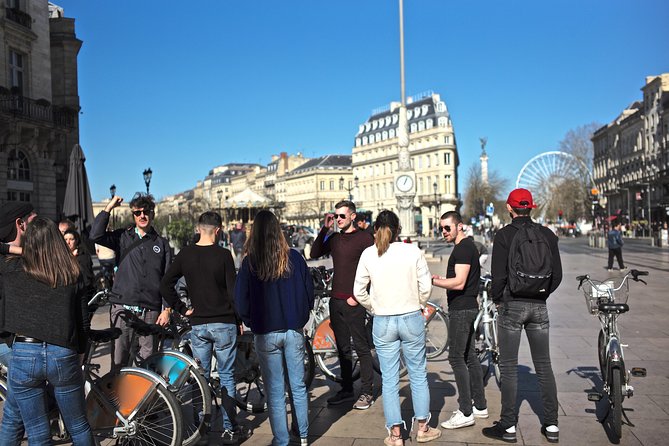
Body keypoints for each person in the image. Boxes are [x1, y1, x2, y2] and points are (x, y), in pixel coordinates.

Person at [0, 217, 94, 445]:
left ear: (29, 242)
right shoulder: (72, 271)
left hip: (24, 352)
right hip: (63, 352)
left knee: (37, 432)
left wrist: (21, 249)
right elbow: (83, 323)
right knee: (79, 425)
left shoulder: (12, 268)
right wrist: (80, 353)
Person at [353, 210, 441, 445]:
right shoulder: (412, 251)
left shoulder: (369, 254)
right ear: (399, 229)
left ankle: (395, 435)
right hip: (411, 316)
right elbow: (425, 284)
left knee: (390, 380)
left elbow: (358, 291)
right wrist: (420, 303)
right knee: (418, 375)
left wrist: (374, 307)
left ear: (375, 230)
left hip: (383, 320)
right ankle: (422, 427)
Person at [482, 188, 562, 444]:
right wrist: (541, 293)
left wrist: (499, 300)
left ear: (509, 208)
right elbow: (557, 275)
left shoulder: (504, 235)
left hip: (512, 306)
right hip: (539, 305)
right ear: (532, 207)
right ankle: (551, 425)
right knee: (544, 366)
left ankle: (507, 426)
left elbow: (498, 276)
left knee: (509, 367)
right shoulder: (548, 235)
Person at [160, 211, 240, 444]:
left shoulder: (185, 254)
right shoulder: (224, 255)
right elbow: (232, 293)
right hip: (224, 321)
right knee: (227, 376)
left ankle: (200, 429)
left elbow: (165, 284)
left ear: (198, 228)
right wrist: (239, 320)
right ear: (218, 230)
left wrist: (181, 307)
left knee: (199, 378)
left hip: (199, 323)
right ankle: (229, 428)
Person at [234, 210, 313, 446]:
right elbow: (309, 292)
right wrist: (302, 314)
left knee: (276, 392)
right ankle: (304, 436)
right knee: (298, 386)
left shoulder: (250, 262)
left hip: (266, 331)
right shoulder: (295, 258)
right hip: (293, 329)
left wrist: (250, 320)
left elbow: (240, 300)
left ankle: (281, 440)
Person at [89, 193, 172, 370]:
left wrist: (167, 309)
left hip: (150, 311)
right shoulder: (122, 237)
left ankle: (141, 398)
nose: (142, 215)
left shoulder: (162, 244)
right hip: (123, 308)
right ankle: (117, 397)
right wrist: (109, 208)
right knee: (119, 362)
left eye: (146, 212)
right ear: (133, 215)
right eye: (138, 212)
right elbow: (95, 235)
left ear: (153, 214)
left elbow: (167, 279)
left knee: (147, 365)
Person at [310, 200, 375, 409]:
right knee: (343, 349)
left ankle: (366, 392)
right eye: (336, 216)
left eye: (342, 216)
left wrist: (359, 296)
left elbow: (375, 268)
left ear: (353, 216)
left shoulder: (365, 238)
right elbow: (314, 253)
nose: (338, 219)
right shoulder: (335, 238)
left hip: (354, 300)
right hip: (336, 300)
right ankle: (347, 390)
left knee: (362, 347)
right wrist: (325, 228)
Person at [431, 211, 488, 430]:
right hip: (466, 307)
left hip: (462, 309)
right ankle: (480, 406)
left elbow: (460, 282)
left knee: (456, 357)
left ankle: (465, 411)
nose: (443, 232)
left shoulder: (463, 248)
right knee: (470, 355)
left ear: (460, 226)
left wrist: (435, 281)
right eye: (441, 228)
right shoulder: (466, 247)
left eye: (447, 227)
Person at [64, 229, 95, 301]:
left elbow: (86, 279)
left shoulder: (83, 257)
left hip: (82, 294)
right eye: (65, 239)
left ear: (76, 241)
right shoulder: (63, 256)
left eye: (71, 239)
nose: (68, 242)